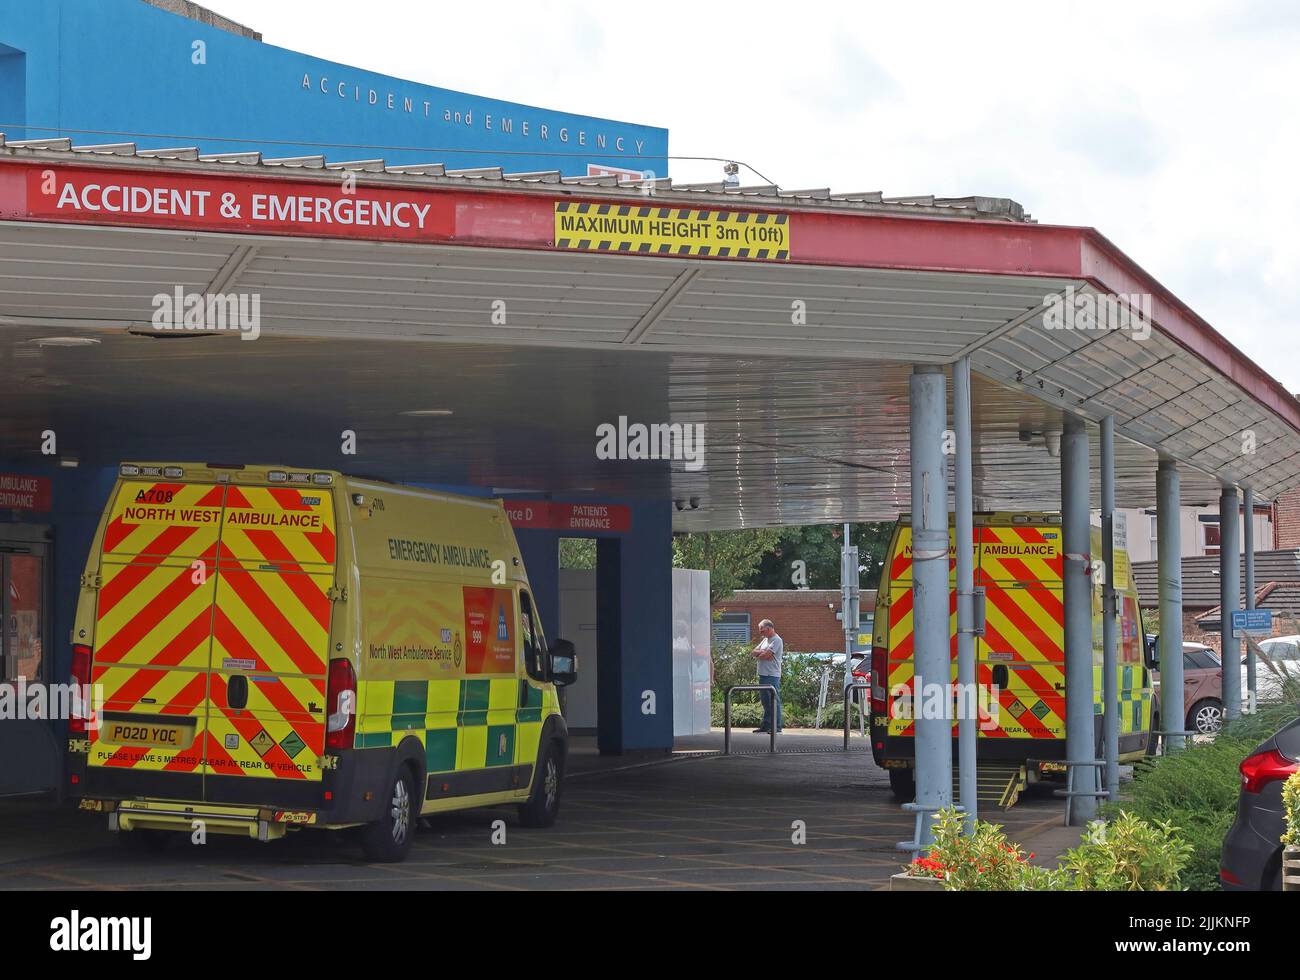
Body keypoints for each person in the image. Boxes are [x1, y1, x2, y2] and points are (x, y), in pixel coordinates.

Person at [751, 619, 784, 734]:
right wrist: (762, 653)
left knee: (774, 700)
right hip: (763, 674)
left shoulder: (777, 640)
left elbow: (766, 655)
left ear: (769, 629)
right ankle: (766, 725)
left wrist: (762, 654)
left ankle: (776, 726)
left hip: (772, 675)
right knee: (765, 702)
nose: (761, 633)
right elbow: (753, 652)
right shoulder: (765, 640)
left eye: (762, 631)